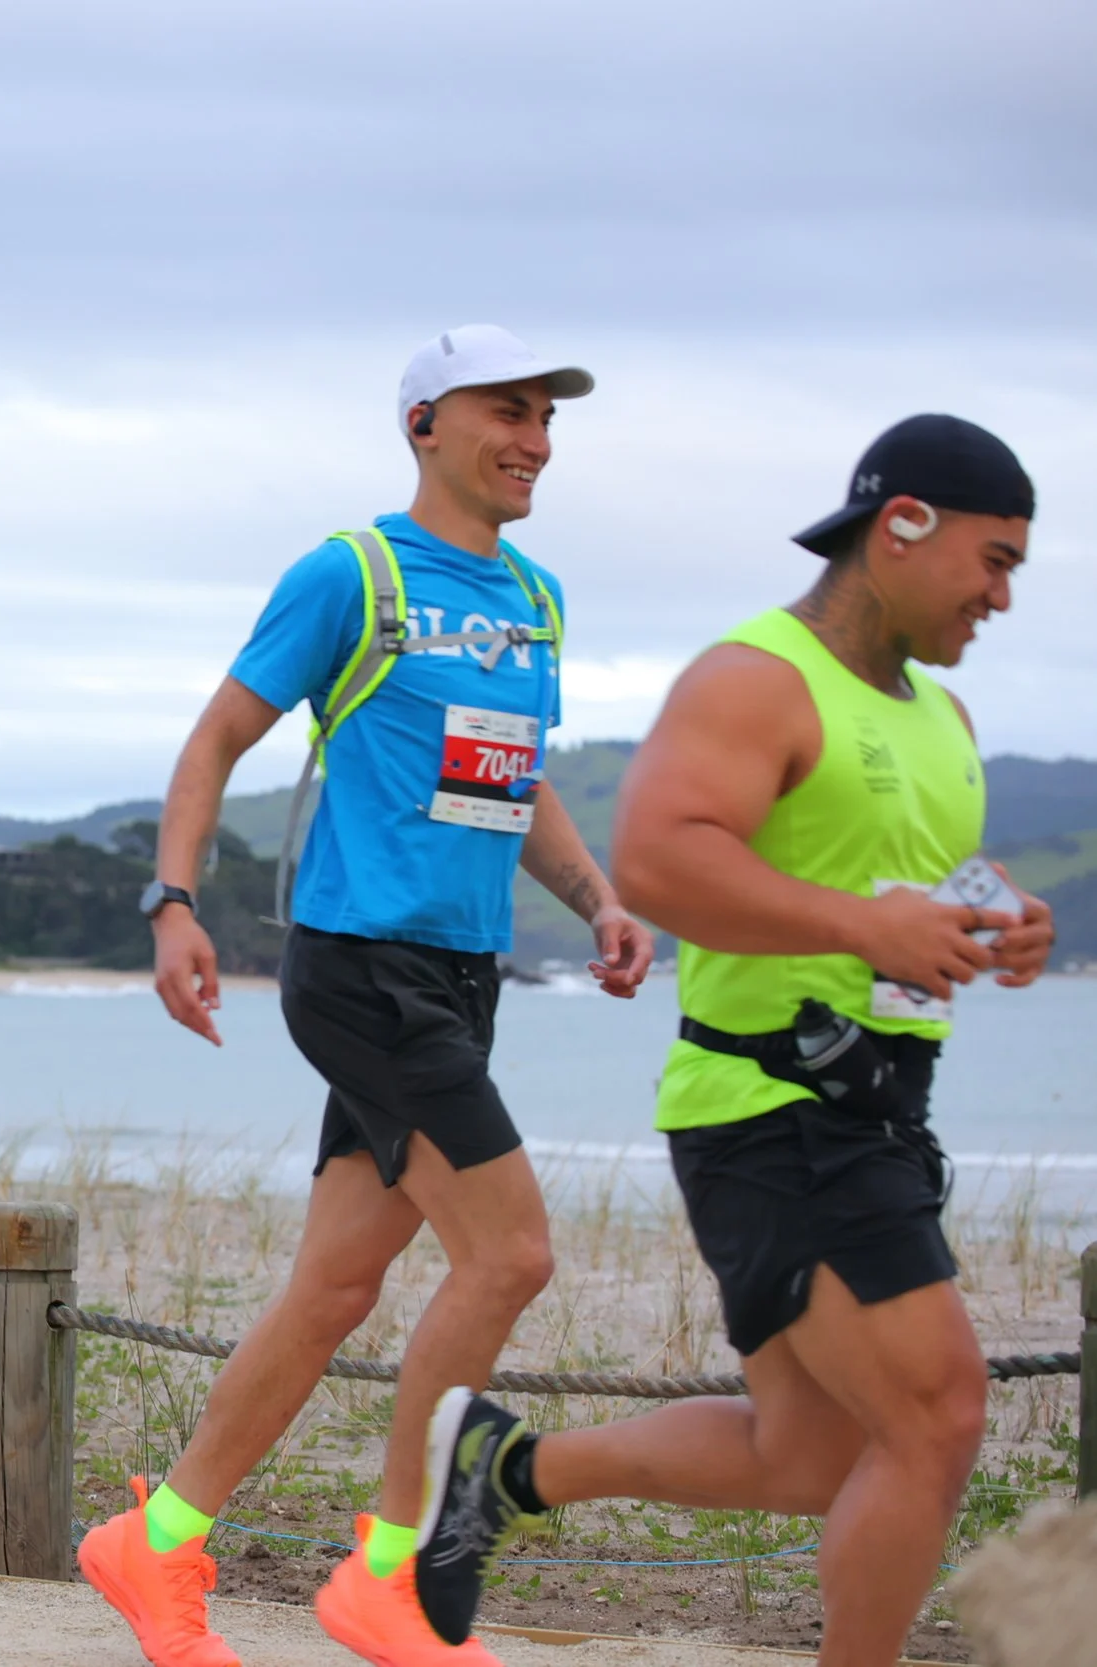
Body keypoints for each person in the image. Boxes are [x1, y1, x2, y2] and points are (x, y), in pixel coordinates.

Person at [413, 414, 1050, 1667]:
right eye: (993, 557)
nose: (1002, 594)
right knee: (938, 1414)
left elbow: (900, 886)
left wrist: (998, 922)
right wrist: (867, 927)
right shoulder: (755, 675)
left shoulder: (947, 719)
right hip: (771, 1107)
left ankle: (506, 1466)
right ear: (901, 523)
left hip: (879, 1112)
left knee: (807, 1451)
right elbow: (659, 856)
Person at [77, 325, 656, 1667]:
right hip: (359, 965)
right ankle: (389, 1568)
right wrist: (173, 905)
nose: (534, 440)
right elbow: (218, 737)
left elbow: (519, 775)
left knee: (333, 1289)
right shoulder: (353, 571)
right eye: (505, 411)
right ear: (424, 424)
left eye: (546, 419)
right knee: (511, 1252)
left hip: (462, 974)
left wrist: (602, 899)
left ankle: (155, 1536)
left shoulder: (537, 598)